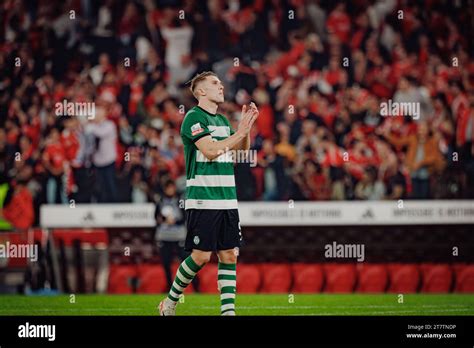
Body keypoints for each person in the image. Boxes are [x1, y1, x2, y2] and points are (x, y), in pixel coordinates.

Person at [158, 71, 258, 316]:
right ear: (201, 91)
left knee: (229, 255)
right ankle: (170, 302)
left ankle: (228, 312)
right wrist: (239, 134)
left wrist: (246, 129)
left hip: (227, 198)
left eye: (221, 83)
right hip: (203, 197)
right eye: (215, 83)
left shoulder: (223, 122)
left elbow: (239, 155)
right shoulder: (193, 117)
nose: (221, 86)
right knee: (201, 257)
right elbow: (210, 150)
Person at [155, 180, 199, 292]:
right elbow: (156, 217)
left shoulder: (180, 201)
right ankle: (170, 287)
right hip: (164, 236)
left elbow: (185, 217)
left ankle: (195, 286)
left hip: (179, 236)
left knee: (187, 262)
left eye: (171, 187)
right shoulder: (160, 201)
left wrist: (174, 221)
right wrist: (163, 220)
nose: (170, 190)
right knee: (166, 263)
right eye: (167, 188)